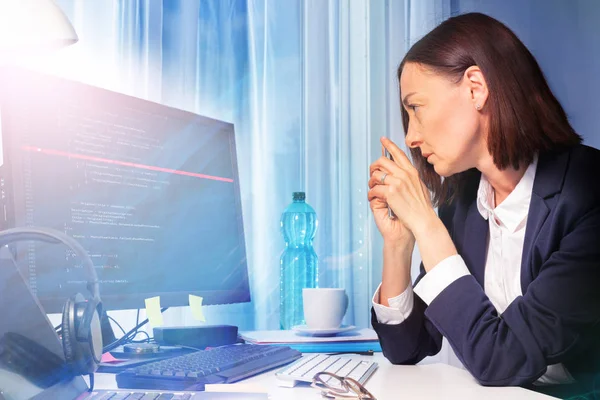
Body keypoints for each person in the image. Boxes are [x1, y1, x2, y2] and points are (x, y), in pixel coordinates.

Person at [368, 12, 600, 398]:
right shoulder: (462, 205)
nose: (409, 137)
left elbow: (503, 359)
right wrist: (399, 243)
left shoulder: (587, 193)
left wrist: (426, 226)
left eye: (416, 108)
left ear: (476, 87)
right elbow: (405, 348)